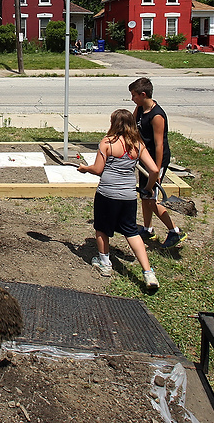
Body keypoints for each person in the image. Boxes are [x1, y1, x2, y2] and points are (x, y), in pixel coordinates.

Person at [77, 109, 160, 289]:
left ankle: (105, 264)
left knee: (102, 228)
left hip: (107, 193)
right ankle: (148, 273)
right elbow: (154, 170)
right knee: (131, 231)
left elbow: (98, 170)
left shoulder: (107, 142)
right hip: (129, 195)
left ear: (114, 123)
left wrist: (85, 168)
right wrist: (147, 188)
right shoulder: (138, 144)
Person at [129, 77, 185, 248]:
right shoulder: (139, 109)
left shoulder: (157, 115)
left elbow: (159, 145)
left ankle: (175, 231)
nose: (133, 99)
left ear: (143, 94)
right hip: (144, 159)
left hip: (155, 161)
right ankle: (147, 229)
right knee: (144, 195)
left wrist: (158, 170)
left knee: (152, 199)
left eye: (134, 95)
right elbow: (132, 127)